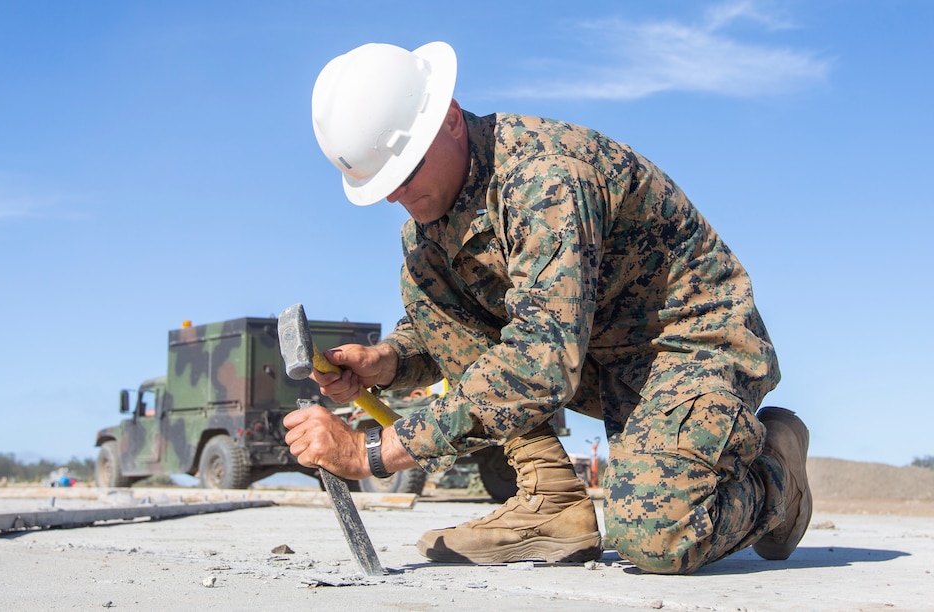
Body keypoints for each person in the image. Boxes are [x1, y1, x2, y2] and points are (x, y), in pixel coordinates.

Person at [283, 41, 812, 575]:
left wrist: (374, 452)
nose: (399, 194)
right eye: (385, 185)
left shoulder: (546, 179)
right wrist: (390, 361)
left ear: (448, 120)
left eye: (407, 169)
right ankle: (550, 501)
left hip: (693, 348)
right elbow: (456, 325)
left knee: (658, 537)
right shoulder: (432, 230)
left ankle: (776, 474)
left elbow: (539, 362)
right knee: (422, 274)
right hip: (595, 360)